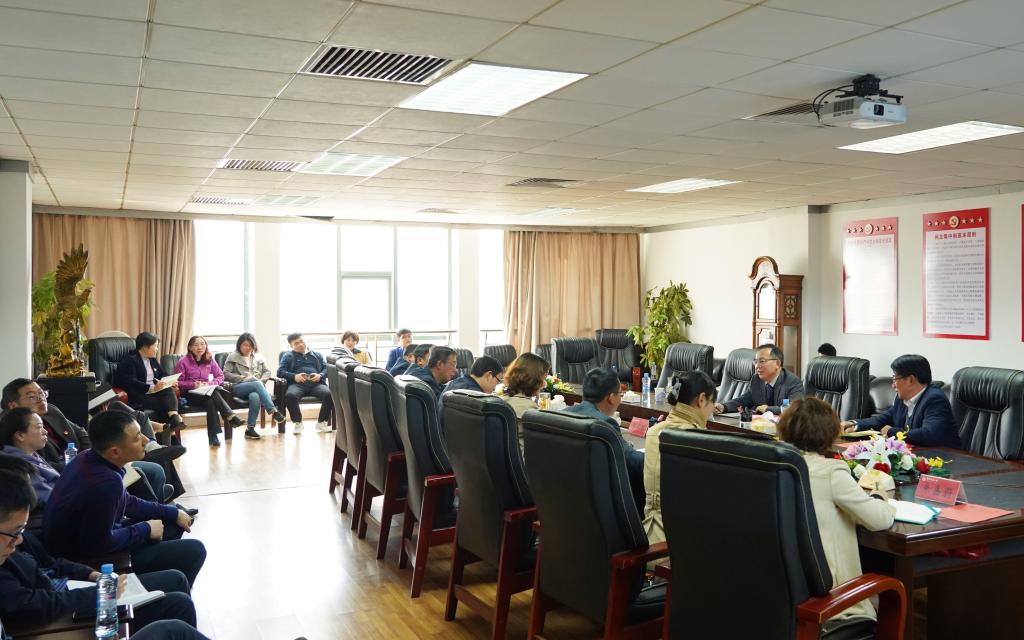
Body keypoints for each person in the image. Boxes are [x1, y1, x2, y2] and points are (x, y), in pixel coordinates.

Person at [0, 464, 202, 635]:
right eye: (15, 532)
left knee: (178, 587)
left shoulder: (13, 538)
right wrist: (99, 594)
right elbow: (30, 605)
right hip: (67, 616)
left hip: (74, 591)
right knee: (177, 617)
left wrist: (91, 574)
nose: (19, 539)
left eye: (21, 530)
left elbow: (51, 563)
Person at [42, 411, 206, 587]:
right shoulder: (106, 482)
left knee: (172, 521)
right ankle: (155, 582)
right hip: (85, 559)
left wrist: (174, 512)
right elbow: (98, 544)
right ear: (114, 452)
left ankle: (157, 574)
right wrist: (145, 529)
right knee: (195, 550)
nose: (145, 441)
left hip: (90, 539)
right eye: (137, 438)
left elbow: (128, 502)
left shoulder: (87, 457)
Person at [779, 397, 895, 622]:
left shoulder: (777, 465)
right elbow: (879, 520)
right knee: (890, 587)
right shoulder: (831, 472)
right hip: (827, 601)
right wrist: (880, 497)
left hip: (784, 596)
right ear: (828, 433)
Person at [1, 378, 187, 507]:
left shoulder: (51, 410)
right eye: (32, 396)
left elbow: (81, 433)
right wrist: (90, 460)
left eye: (42, 393)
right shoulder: (16, 431)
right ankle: (161, 510)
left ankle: (164, 505)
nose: (41, 398)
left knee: (150, 462)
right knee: (147, 470)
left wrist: (95, 453)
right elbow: (45, 467)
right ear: (13, 405)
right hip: (73, 472)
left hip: (89, 458)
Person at [642, 371, 715, 547]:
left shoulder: (653, 432)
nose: (712, 410)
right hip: (680, 544)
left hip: (648, 536)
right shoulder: (700, 440)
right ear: (702, 399)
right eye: (712, 403)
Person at [562, 368, 645, 510]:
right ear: (611, 397)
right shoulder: (604, 424)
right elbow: (631, 462)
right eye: (620, 394)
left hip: (568, 501)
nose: (620, 398)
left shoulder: (563, 413)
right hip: (601, 505)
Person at [841, 354, 959, 447]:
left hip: (944, 458)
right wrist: (854, 424)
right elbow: (882, 419)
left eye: (895, 379)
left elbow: (929, 434)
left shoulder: (934, 399)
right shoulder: (901, 398)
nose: (893, 385)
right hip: (914, 454)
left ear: (911, 379)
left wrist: (891, 431)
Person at [173, 336, 243, 447]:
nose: (200, 347)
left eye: (202, 344)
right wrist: (192, 384)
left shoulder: (209, 359)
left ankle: (213, 437)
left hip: (206, 392)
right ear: (190, 347)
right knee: (214, 394)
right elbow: (176, 382)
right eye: (196, 345)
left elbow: (220, 376)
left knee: (210, 401)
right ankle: (229, 416)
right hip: (189, 394)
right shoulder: (183, 362)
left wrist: (210, 384)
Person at [114, 332, 186, 434]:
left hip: (155, 392)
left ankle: (174, 418)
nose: (157, 349)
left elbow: (162, 373)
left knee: (169, 390)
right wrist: (151, 387)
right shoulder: (130, 360)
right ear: (145, 347)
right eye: (155, 346)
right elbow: (130, 381)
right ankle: (173, 429)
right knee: (167, 405)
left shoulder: (152, 359)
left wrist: (170, 381)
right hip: (139, 394)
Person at [222, 333, 287, 440]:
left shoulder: (259, 357)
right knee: (257, 384)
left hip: (256, 387)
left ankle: (250, 429)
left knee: (255, 396)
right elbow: (226, 373)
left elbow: (267, 372)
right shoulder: (232, 357)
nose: (248, 348)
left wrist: (261, 381)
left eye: (250, 345)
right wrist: (242, 378)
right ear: (239, 345)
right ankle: (274, 411)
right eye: (245, 345)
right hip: (238, 387)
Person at [715, 343, 804, 415]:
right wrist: (724, 407)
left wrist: (768, 409)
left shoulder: (793, 382)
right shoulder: (756, 379)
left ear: (777, 364)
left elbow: (794, 409)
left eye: (762, 361)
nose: (757, 366)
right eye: (755, 362)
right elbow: (744, 400)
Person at [0, 411, 61, 506]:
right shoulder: (17, 467)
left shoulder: (32, 454)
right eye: (39, 427)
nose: (45, 431)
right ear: (20, 435)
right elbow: (49, 498)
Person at [277, 333, 332, 434]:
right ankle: (298, 423)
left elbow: (326, 368)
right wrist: (294, 376)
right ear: (291, 346)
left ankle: (321, 422)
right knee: (290, 396)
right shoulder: (288, 356)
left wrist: (320, 375)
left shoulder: (316, 355)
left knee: (330, 394)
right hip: (297, 385)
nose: (301, 344)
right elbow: (280, 372)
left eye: (302, 341)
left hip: (316, 384)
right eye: (296, 343)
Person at [500, 352, 549, 454]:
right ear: (534, 380)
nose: (545, 384)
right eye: (544, 379)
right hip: (523, 460)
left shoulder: (500, 400)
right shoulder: (529, 408)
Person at [439, 355, 503, 412]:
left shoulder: (455, 382)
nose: (495, 387)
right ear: (489, 375)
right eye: (497, 381)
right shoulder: (477, 397)